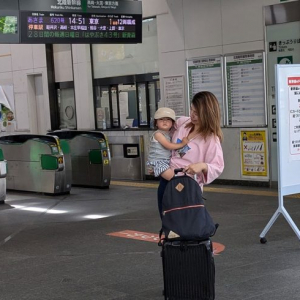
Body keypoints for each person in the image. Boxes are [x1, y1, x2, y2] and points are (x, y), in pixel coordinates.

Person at [157, 91, 224, 218]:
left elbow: (218, 166)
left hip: (187, 186)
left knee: (185, 225)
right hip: (167, 182)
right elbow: (164, 134)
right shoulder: (182, 123)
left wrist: (203, 166)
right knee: (167, 223)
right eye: (192, 110)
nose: (193, 116)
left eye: (197, 113)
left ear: (208, 114)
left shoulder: (211, 139)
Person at [147, 107, 189, 181]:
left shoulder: (169, 134)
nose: (165, 121)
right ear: (156, 123)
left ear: (172, 123)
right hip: (158, 162)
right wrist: (182, 144)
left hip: (166, 161)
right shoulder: (158, 134)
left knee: (175, 180)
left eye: (168, 119)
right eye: (161, 119)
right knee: (174, 180)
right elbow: (168, 146)